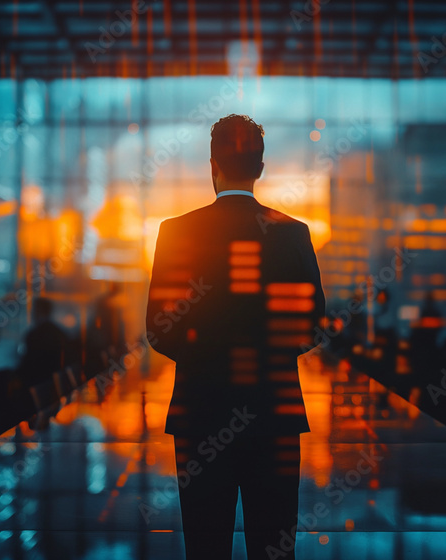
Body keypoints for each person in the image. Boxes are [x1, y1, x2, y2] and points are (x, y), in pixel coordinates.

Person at [146, 114, 325, 560]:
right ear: (260, 167)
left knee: (205, 547)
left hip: (200, 412)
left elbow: (158, 329)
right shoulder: (293, 233)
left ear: (213, 166)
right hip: (274, 414)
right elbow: (314, 325)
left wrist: (205, 357)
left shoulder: (176, 233)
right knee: (274, 545)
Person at [18, 297, 73, 388]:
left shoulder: (35, 335)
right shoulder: (59, 332)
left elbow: (28, 365)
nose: (32, 313)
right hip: (57, 383)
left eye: (34, 310)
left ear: (38, 311)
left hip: (39, 383)